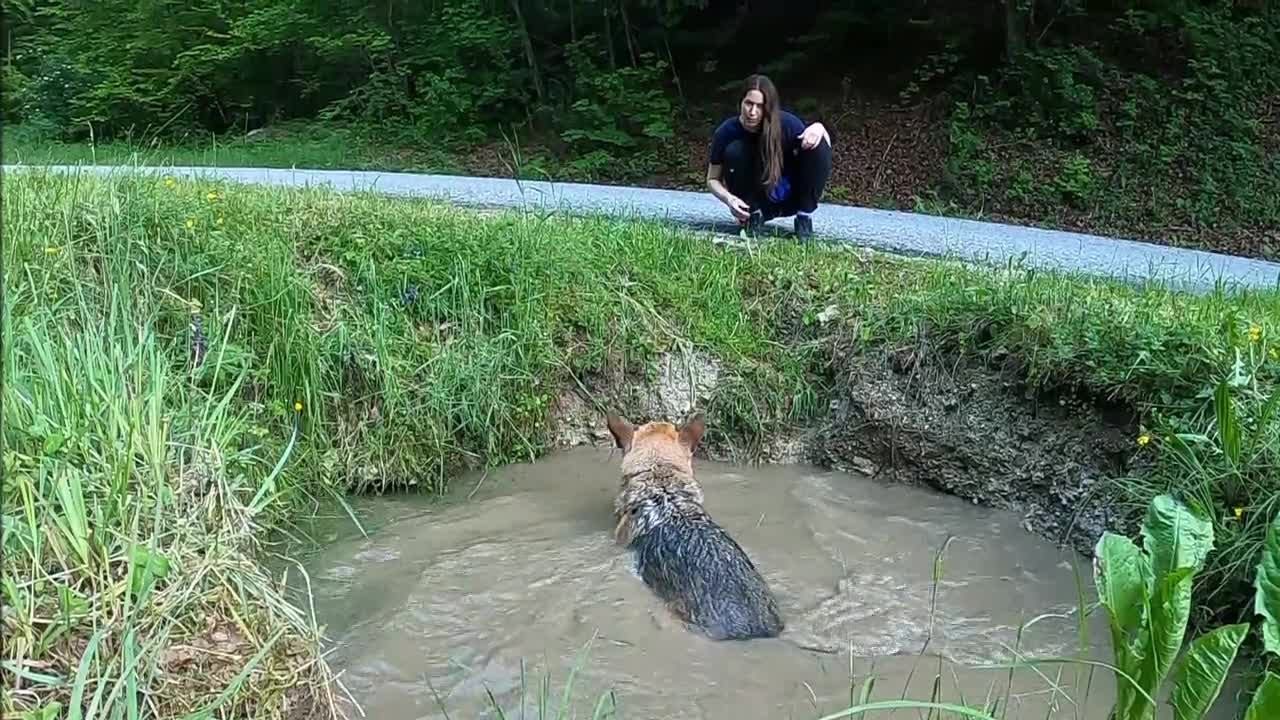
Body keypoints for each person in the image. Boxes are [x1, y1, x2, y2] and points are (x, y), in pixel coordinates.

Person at [705, 74, 833, 239]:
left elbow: (819, 152)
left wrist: (819, 128)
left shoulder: (786, 124)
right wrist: (729, 199)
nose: (753, 112)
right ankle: (753, 215)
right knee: (735, 150)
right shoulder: (726, 132)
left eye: (760, 106)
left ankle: (804, 219)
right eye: (749, 104)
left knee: (817, 141)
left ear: (768, 107)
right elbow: (711, 179)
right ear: (740, 103)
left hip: (792, 196)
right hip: (757, 199)